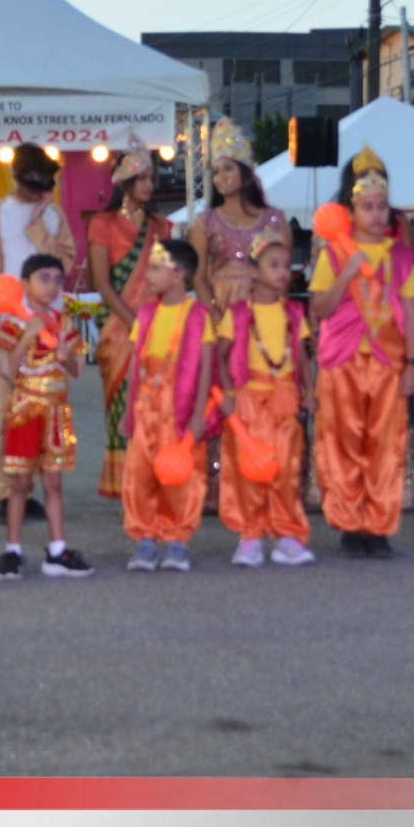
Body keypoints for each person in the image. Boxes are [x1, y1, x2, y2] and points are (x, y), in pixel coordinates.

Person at [310, 146, 414, 559]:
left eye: (381, 206)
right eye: (366, 207)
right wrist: (347, 274)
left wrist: (412, 364)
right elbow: (320, 308)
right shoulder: (333, 253)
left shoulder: (402, 256)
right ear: (351, 211)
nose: (375, 214)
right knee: (341, 444)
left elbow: (409, 314)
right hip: (341, 361)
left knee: (385, 445)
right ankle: (348, 523)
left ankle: (378, 525)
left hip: (387, 361)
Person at [0, 146, 76, 522]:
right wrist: (0, 300)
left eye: (44, 183)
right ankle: (7, 490)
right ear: (16, 177)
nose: (38, 190)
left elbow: (64, 263)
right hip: (10, 323)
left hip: (49, 321)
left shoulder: (54, 215)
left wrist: (38, 225)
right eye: (32, 182)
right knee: (9, 404)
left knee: (46, 400)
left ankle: (36, 483)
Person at [216, 230, 315, 567]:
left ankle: (286, 536)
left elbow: (301, 355)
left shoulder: (294, 312)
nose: (283, 272)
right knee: (250, 469)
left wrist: (309, 391)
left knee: (286, 468)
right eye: (274, 265)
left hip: (285, 399)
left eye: (287, 265)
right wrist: (228, 393)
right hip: (249, 401)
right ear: (254, 271)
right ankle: (251, 536)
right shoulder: (238, 313)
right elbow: (221, 355)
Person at [0, 253, 93, 580]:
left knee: (54, 483)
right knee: (20, 483)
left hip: (57, 413)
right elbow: (6, 371)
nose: (52, 286)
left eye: (58, 280)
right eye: (44, 278)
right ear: (24, 284)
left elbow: (79, 369)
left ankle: (57, 550)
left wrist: (66, 358)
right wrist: (27, 335)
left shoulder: (63, 323)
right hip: (25, 411)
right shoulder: (13, 323)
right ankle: (12, 550)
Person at [120, 239, 214, 573]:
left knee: (180, 473)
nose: (149, 275)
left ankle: (177, 539)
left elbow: (205, 366)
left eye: (156, 269)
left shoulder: (198, 315)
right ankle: (145, 538)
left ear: (178, 275)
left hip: (180, 410)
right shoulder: (146, 314)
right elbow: (135, 365)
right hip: (146, 407)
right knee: (140, 474)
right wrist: (128, 411)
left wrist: (200, 413)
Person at [86, 139, 172, 502]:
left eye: (152, 178)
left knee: (156, 404)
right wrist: (135, 323)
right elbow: (102, 283)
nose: (149, 185)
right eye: (142, 178)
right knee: (124, 403)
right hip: (120, 329)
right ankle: (127, 485)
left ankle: (155, 479)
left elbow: (169, 278)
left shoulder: (161, 226)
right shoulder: (103, 223)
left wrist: (155, 324)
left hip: (158, 326)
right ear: (125, 182)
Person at [189, 117, 287, 323]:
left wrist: (275, 314)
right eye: (216, 172)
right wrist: (215, 316)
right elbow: (198, 278)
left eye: (228, 168)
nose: (221, 177)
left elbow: (283, 274)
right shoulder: (205, 222)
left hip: (263, 310)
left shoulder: (274, 219)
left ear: (245, 173)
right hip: (220, 309)